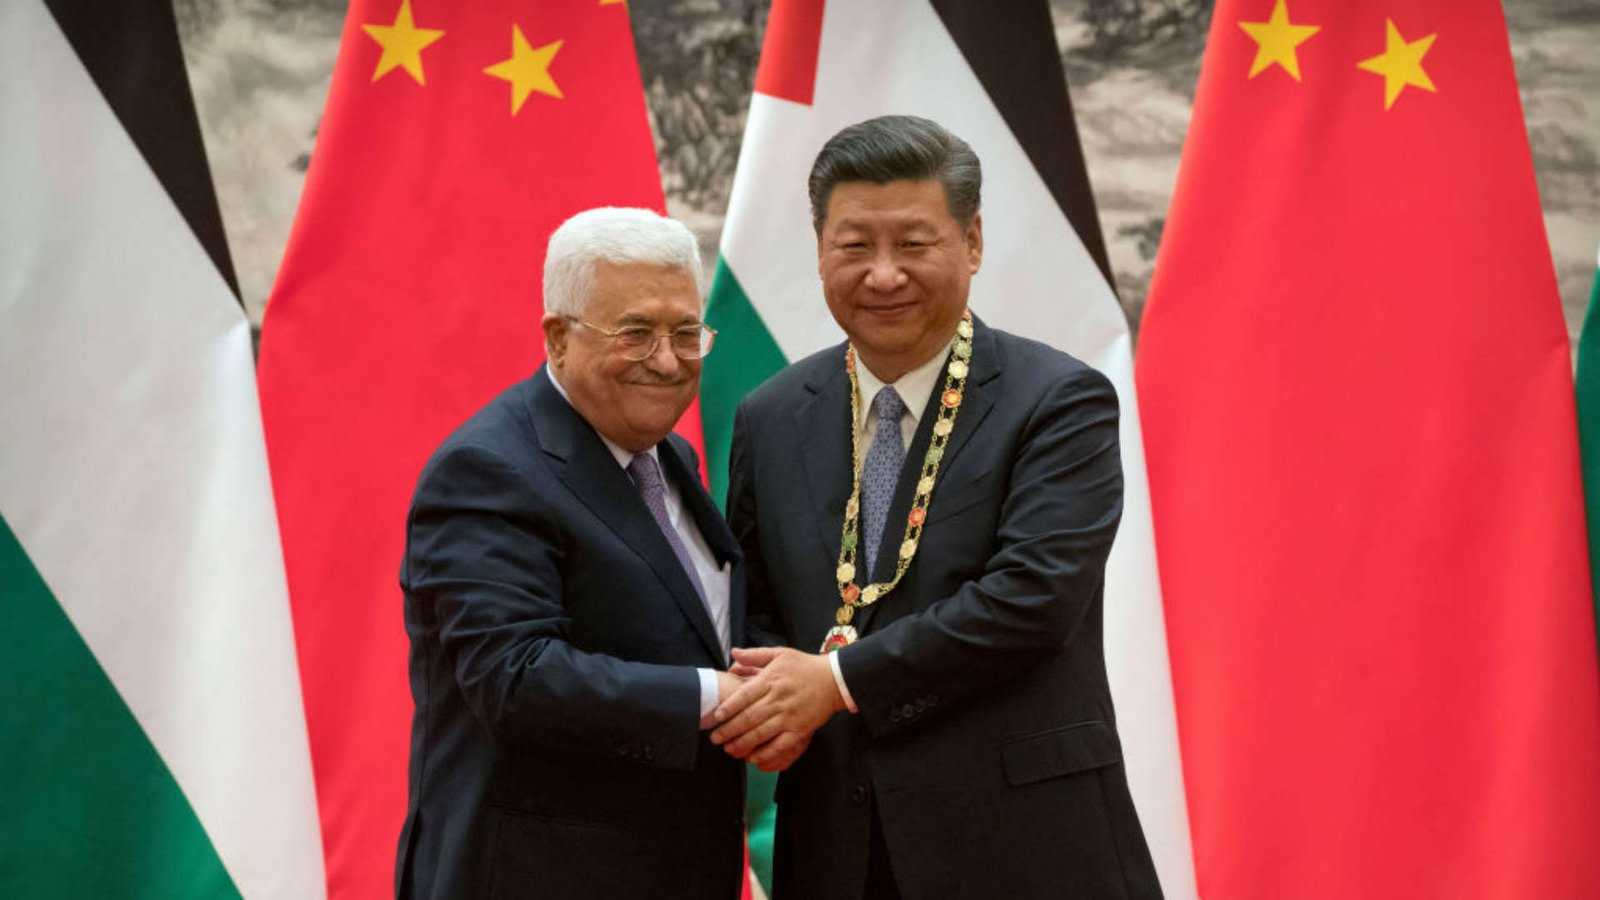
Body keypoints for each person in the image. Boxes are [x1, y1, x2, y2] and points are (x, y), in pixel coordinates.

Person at [714, 115, 1163, 899]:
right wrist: (768, 698)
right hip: (837, 848)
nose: (883, 275)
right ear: (819, 250)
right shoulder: (771, 414)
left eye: (914, 244)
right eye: (855, 246)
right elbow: (754, 603)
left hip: (1021, 846)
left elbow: (1032, 600)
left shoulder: (1057, 401)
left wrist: (835, 681)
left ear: (973, 242)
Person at [395, 207, 747, 899]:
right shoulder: (488, 469)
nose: (668, 361)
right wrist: (719, 698)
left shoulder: (669, 456)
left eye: (686, 334)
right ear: (559, 338)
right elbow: (514, 677)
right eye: (635, 334)